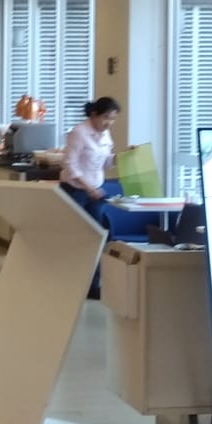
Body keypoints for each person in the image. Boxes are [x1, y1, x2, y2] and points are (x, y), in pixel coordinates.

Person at [60, 97, 122, 299]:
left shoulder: (105, 134)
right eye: (106, 118)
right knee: (79, 239)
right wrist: (88, 188)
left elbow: (105, 162)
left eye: (112, 119)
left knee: (97, 237)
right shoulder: (79, 133)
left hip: (96, 191)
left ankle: (93, 285)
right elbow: (70, 165)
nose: (109, 123)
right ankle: (73, 282)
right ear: (94, 114)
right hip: (76, 191)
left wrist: (121, 157)